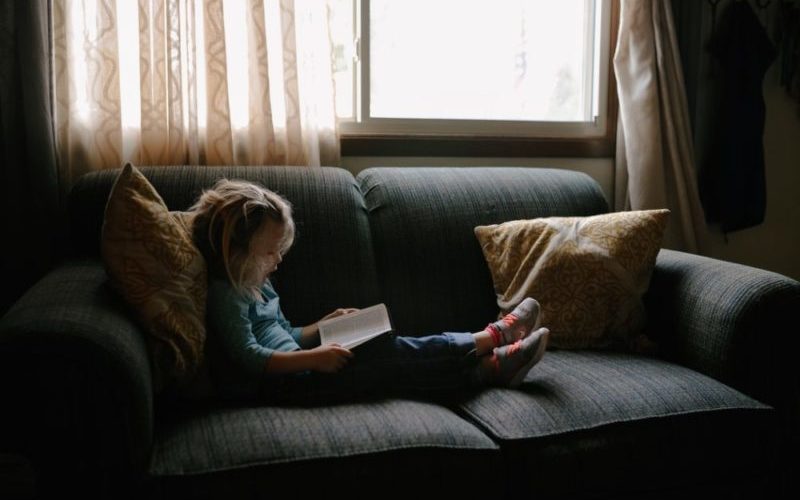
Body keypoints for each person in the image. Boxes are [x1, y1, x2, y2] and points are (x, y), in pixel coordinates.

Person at [190, 179, 550, 403]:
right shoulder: (227, 295)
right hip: (288, 386)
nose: (278, 262)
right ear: (235, 252)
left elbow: (285, 335)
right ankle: (492, 339)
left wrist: (320, 326)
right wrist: (314, 358)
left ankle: (488, 368)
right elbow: (250, 356)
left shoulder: (259, 284)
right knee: (390, 358)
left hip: (303, 370)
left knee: (389, 355)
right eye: (269, 253)